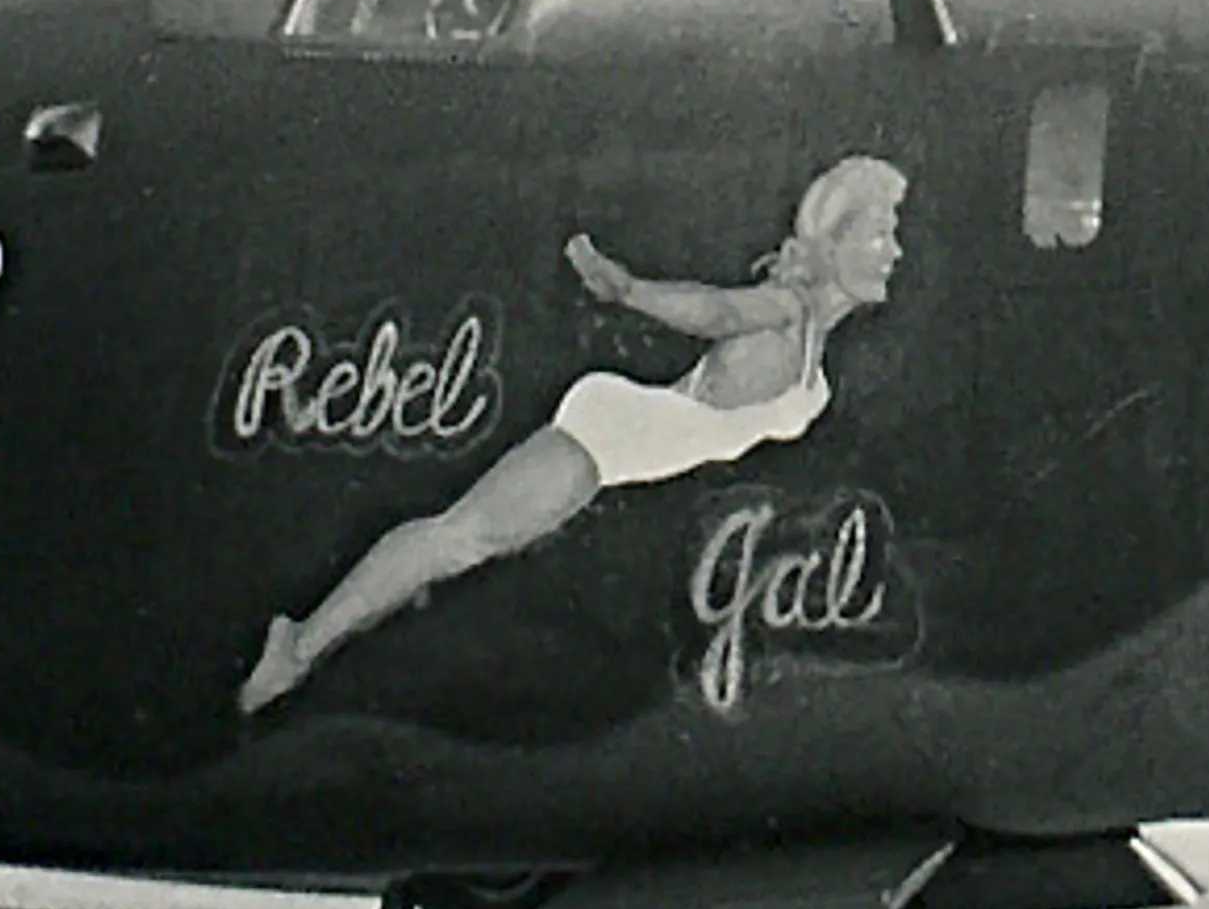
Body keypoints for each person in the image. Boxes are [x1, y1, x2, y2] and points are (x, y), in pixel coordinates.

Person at [238, 154, 910, 712]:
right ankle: (294, 647)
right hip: (605, 440)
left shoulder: (812, 345)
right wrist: (629, 292)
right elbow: (715, 309)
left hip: (624, 455)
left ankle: (331, 631)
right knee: (458, 537)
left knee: (462, 542)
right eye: (879, 232)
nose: (894, 250)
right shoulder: (785, 311)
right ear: (831, 243)